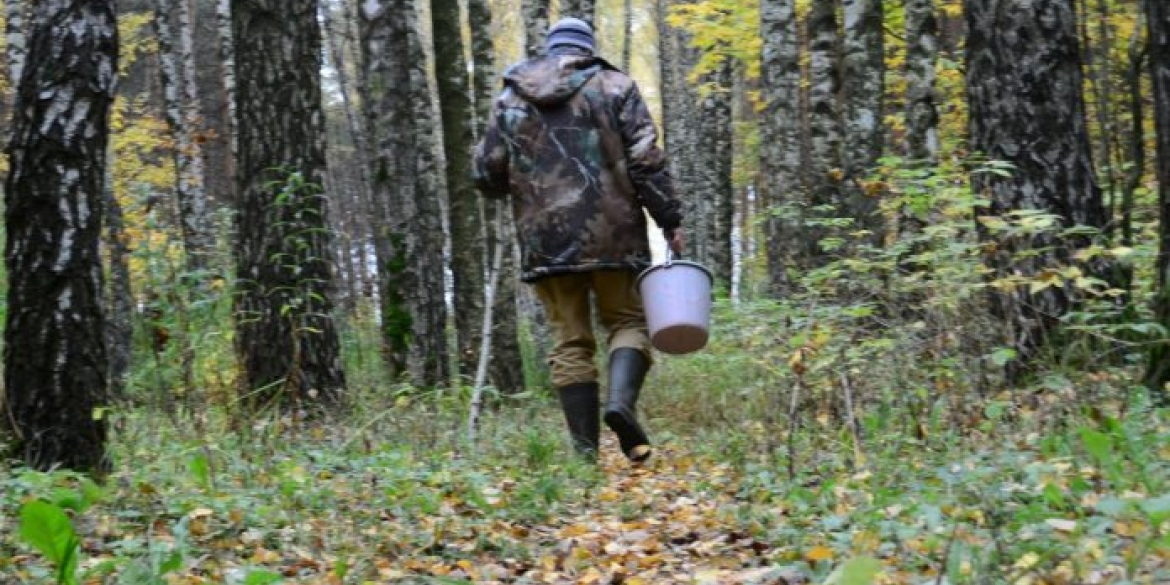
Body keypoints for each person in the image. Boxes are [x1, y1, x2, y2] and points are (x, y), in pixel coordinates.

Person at [473, 17, 685, 463]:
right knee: (628, 322)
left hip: (545, 239)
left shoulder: (510, 98)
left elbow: (485, 171)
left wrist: (519, 185)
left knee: (569, 341)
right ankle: (620, 406)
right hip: (614, 233)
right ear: (588, 48)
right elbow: (646, 160)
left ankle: (586, 457)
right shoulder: (614, 86)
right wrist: (669, 218)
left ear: (550, 49)